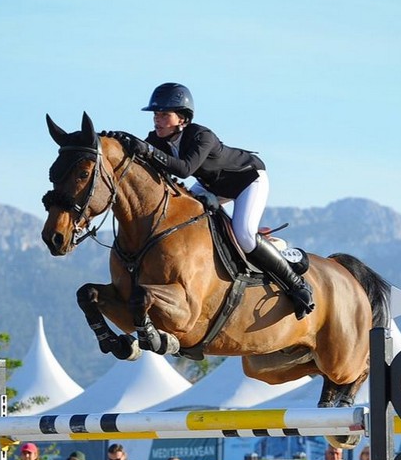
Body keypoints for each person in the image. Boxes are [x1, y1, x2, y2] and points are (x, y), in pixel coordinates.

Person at [117, 82, 314, 320]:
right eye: (156, 115)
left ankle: (296, 284)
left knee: (244, 235)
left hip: (247, 181)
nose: (157, 120)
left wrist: (148, 151)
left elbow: (185, 169)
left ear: (182, 119)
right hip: (212, 185)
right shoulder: (158, 140)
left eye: (163, 115)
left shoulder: (201, 136)